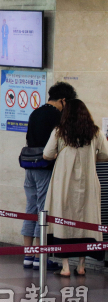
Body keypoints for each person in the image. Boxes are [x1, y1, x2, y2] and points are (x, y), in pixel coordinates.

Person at [43, 99, 108, 277]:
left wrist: (58, 154)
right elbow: (106, 154)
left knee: (63, 220)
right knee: (85, 221)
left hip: (63, 183)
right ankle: (81, 266)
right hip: (87, 183)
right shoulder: (95, 132)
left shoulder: (59, 131)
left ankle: (64, 267)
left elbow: (47, 154)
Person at [21, 82, 77, 270]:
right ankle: (39, 257)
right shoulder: (57, 116)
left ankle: (27, 256)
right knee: (42, 211)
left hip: (29, 166)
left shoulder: (35, 112)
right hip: (44, 167)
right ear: (63, 100)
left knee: (30, 210)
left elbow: (28, 138)